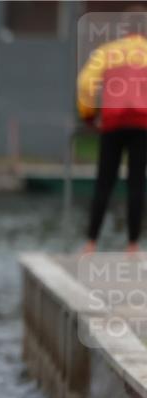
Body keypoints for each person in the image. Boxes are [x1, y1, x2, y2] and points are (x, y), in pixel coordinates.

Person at [77, 6, 147, 254]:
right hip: (142, 125)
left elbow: (86, 83)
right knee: (137, 183)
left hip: (113, 123)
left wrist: (89, 115)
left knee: (104, 182)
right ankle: (132, 245)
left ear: (124, 28)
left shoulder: (108, 52)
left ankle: (91, 243)